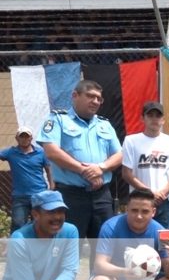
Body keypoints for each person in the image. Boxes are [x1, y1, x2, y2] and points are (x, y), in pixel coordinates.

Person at [37, 80, 122, 269]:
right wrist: (84, 170)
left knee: (104, 249)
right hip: (70, 197)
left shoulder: (105, 125)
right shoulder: (58, 119)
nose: (95, 101)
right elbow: (51, 151)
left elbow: (119, 155)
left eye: (99, 98)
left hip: (101, 197)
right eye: (90, 96)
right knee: (66, 249)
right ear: (75, 95)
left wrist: (100, 168)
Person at [121, 101, 169, 227]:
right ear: (142, 118)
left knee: (165, 241)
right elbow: (126, 173)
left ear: (163, 120)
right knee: (138, 239)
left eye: (158, 116)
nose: (154, 119)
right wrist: (149, 192)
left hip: (165, 201)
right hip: (140, 200)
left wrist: (163, 193)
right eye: (150, 115)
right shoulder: (131, 141)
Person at [0, 126, 53, 232]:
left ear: (31, 138)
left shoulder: (41, 152)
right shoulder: (10, 152)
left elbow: (49, 169)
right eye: (21, 136)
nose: (24, 139)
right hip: (20, 196)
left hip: (39, 195)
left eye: (26, 136)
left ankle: (39, 248)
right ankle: (17, 248)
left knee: (40, 225)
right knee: (18, 224)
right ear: (17, 138)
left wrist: (52, 186)